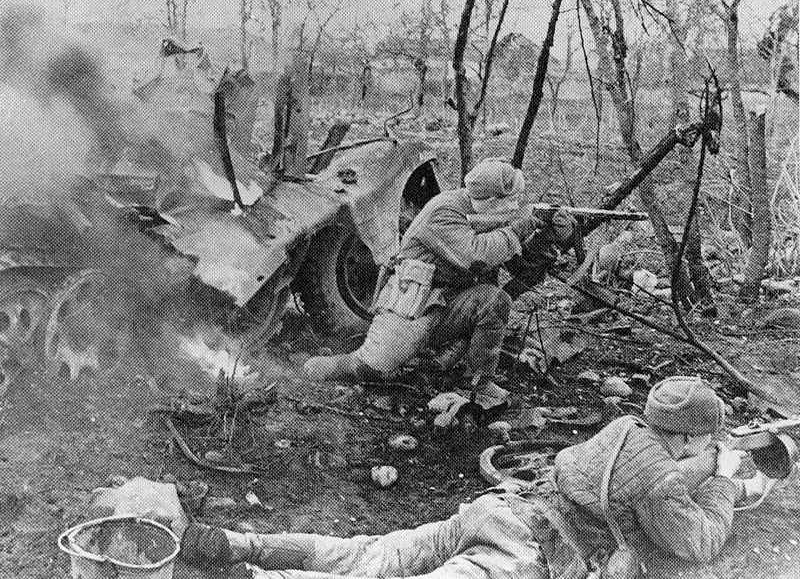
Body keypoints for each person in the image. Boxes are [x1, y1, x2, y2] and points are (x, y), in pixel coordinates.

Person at [180, 376, 764, 578]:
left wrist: (703, 463)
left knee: (370, 556)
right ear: (689, 437)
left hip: (500, 508)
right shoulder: (670, 480)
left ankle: (239, 544)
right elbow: (698, 542)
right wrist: (724, 480)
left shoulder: (622, 430)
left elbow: (630, 476)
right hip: (531, 550)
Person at [303, 158, 576, 395]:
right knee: (372, 369)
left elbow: (517, 262)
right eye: (509, 203)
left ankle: (479, 385)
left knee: (495, 301)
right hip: (412, 308)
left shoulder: (485, 214)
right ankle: (327, 366)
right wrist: (520, 227)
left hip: (446, 306)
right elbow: (475, 255)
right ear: (491, 201)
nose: (514, 208)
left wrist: (546, 238)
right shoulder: (443, 210)